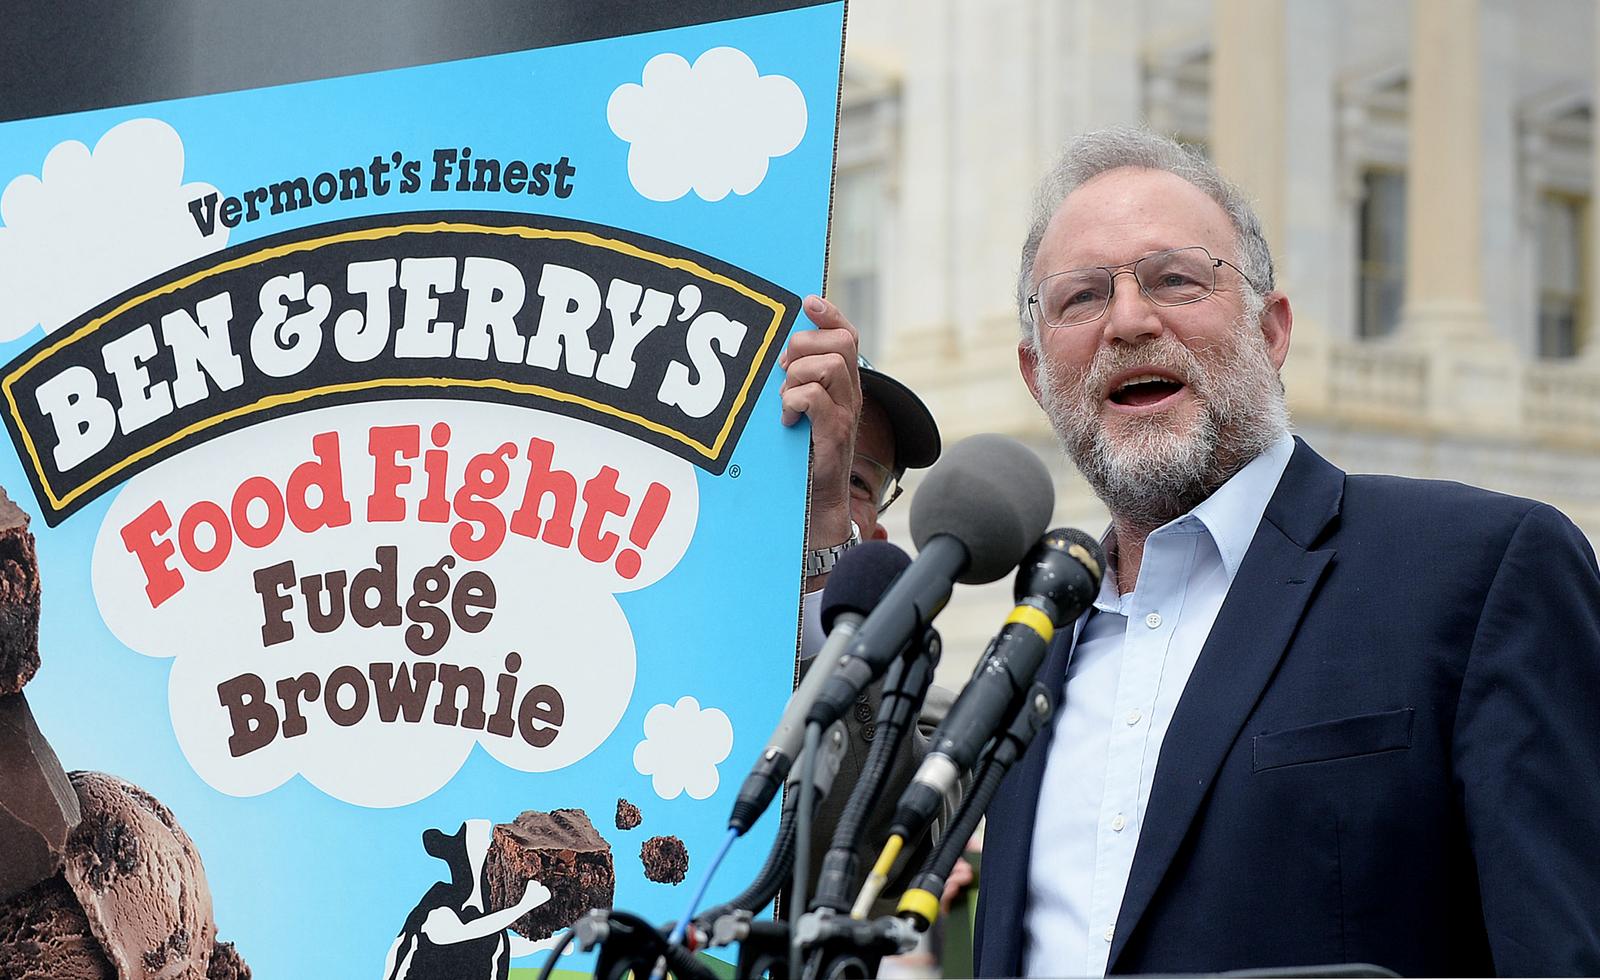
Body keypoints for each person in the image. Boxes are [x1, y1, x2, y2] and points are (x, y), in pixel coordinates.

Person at [969, 127, 1600, 977]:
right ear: (1037, 374)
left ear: (1271, 332)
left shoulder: (1485, 570)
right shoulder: (1031, 652)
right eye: (1080, 297)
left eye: (1176, 279)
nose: (1127, 320)